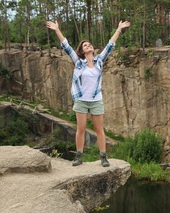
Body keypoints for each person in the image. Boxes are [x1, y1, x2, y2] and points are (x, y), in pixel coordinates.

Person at [46, 20, 131, 167]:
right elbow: (66, 46)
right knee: (81, 129)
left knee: (99, 130)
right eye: (85, 45)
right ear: (82, 51)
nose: (89, 45)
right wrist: (57, 30)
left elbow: (110, 46)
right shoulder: (78, 62)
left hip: (96, 100)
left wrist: (118, 29)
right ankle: (79, 156)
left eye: (89, 44)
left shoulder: (99, 61)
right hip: (81, 100)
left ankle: (103, 157)